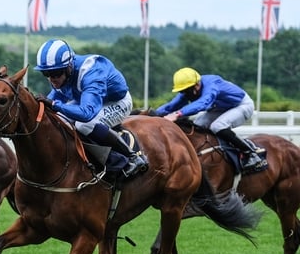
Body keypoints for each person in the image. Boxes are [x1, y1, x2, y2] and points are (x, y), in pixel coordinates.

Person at [35, 38, 149, 178]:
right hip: (89, 100)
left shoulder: (90, 73)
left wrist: (54, 105)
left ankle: (132, 157)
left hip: (118, 102)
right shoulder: (62, 73)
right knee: (57, 120)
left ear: (69, 66)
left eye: (56, 73)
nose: (52, 79)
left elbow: (86, 113)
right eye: (46, 74)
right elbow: (50, 106)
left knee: (84, 125)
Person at [155, 67, 264, 170]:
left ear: (197, 85)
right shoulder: (190, 88)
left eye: (186, 91)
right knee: (197, 125)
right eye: (182, 91)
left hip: (241, 105)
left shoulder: (211, 85)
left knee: (217, 126)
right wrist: (154, 114)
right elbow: (171, 105)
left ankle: (250, 153)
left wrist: (178, 114)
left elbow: (203, 103)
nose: (185, 94)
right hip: (221, 107)